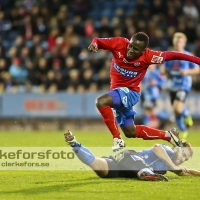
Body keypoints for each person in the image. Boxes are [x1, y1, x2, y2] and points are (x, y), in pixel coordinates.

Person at [88, 32, 200, 152]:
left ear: (143, 50)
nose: (130, 50)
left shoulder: (149, 56)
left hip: (131, 92)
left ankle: (117, 139)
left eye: (135, 49)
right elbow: (98, 41)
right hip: (118, 92)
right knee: (131, 131)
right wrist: (94, 44)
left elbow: (174, 55)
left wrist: (198, 60)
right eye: (130, 46)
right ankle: (168, 136)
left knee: (101, 102)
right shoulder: (119, 43)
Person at [64, 130, 200, 181]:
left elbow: (184, 172)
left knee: (97, 166)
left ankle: (73, 143)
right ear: (177, 149)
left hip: (123, 167)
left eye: (186, 158)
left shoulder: (173, 163)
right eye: (184, 155)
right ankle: (145, 173)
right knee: (142, 168)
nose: (183, 159)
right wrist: (173, 166)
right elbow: (156, 147)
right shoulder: (168, 152)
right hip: (131, 157)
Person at [163, 32, 200, 139]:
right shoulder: (169, 55)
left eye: (180, 41)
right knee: (175, 110)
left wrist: (187, 71)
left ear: (184, 43)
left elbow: (197, 69)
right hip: (172, 85)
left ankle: (186, 114)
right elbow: (165, 70)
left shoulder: (188, 55)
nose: (178, 43)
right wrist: (163, 71)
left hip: (184, 84)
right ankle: (183, 130)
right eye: (176, 41)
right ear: (174, 42)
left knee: (178, 108)